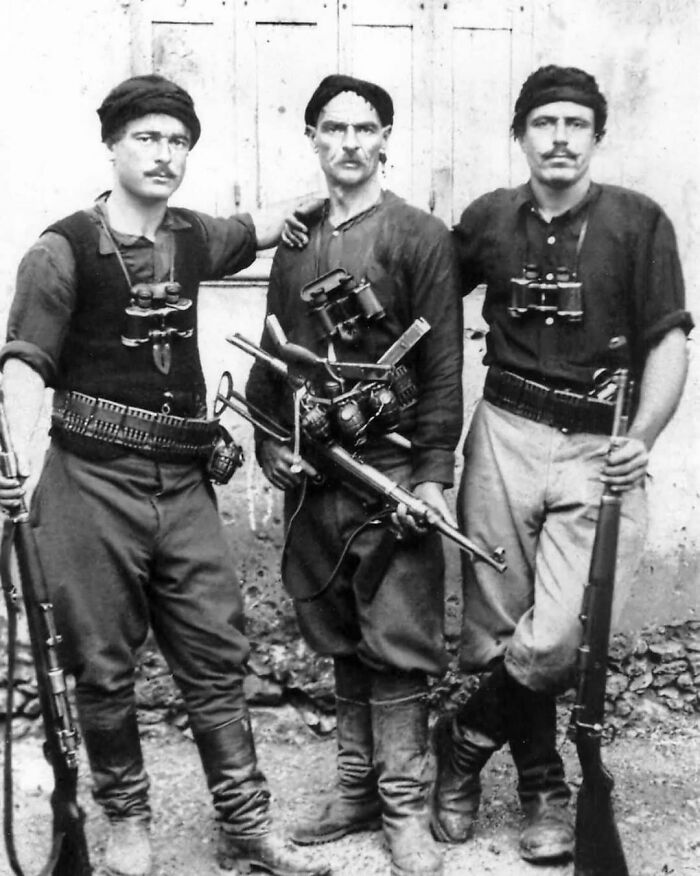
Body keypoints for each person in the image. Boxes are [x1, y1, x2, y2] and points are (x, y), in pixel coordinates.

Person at [0, 74, 330, 876]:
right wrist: (11, 459)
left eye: (178, 142)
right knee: (101, 662)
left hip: (183, 485)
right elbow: (22, 366)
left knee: (216, 651)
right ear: (112, 145)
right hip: (90, 482)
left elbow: (255, 228)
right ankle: (127, 824)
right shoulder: (60, 249)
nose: (165, 154)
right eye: (148, 138)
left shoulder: (191, 236)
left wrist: (330, 189)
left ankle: (247, 826)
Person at [431, 64, 692, 863]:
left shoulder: (638, 223)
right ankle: (542, 782)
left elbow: (670, 342)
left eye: (576, 123)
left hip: (596, 445)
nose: (560, 138)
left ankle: (465, 737)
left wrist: (640, 437)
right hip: (505, 430)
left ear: (597, 137)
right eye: (544, 123)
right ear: (521, 135)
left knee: (562, 636)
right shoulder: (486, 220)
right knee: (494, 627)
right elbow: (424, 289)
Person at [246, 74, 463, 876]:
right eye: (331, 128)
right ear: (311, 138)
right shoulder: (296, 241)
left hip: (391, 466)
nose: (347, 142)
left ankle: (405, 803)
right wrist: (273, 445)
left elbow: (441, 369)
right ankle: (355, 789)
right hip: (315, 474)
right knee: (337, 626)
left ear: (385, 140)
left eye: (362, 128)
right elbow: (272, 356)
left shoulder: (421, 235)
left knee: (398, 635)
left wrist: (432, 479)